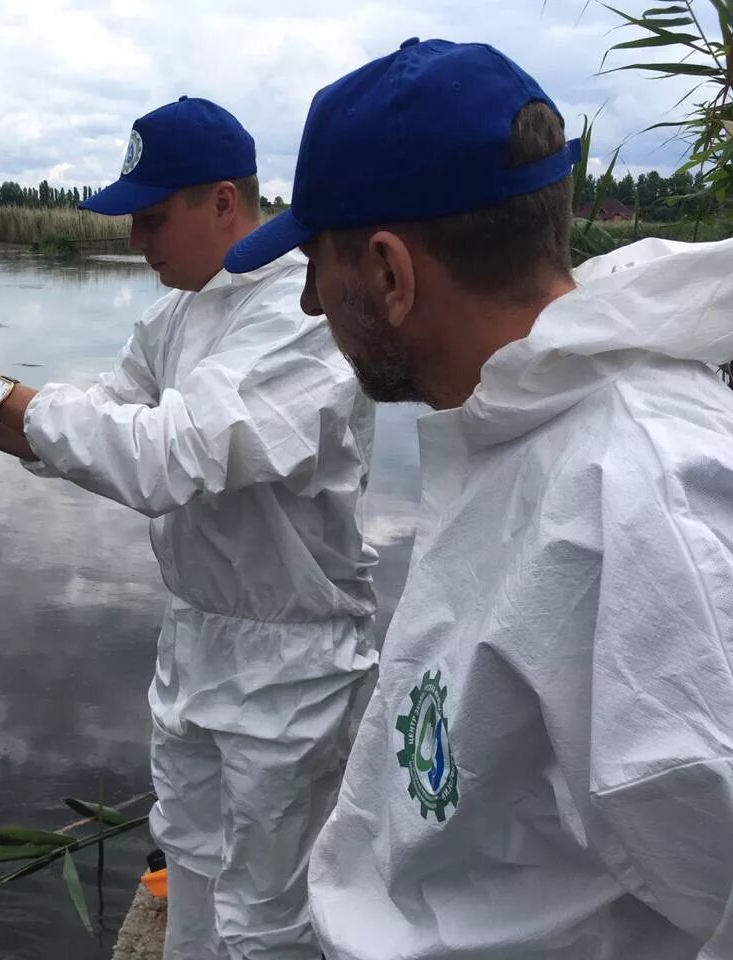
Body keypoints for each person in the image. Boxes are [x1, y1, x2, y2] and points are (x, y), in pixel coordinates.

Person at [225, 36, 733, 960]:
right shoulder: (518, 429)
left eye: (316, 263)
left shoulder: (640, 505)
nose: (306, 304)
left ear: (389, 273)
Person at [0, 96, 378, 958]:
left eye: (152, 218)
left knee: (266, 911)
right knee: (190, 863)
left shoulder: (304, 317)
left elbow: (170, 457)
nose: (134, 242)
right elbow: (103, 425)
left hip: (293, 662)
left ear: (223, 202)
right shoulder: (178, 314)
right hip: (195, 641)